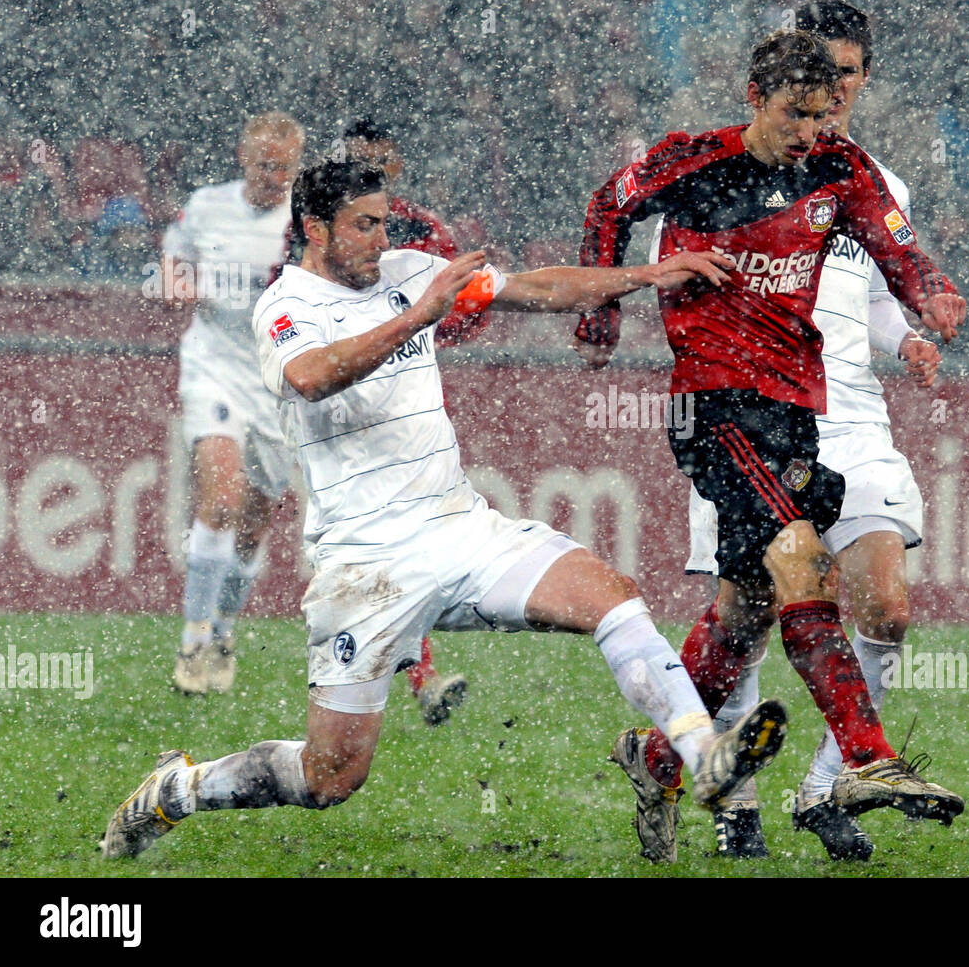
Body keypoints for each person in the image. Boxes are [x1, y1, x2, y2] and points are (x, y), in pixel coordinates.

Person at [102, 159, 787, 859]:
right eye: (362, 225)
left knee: (612, 597)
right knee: (330, 776)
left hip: (462, 529)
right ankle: (177, 789)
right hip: (365, 565)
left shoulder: (408, 269)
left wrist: (642, 279)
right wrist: (420, 315)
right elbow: (311, 378)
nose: (379, 237)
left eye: (382, 221)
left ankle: (703, 756)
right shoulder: (284, 307)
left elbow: (535, 288)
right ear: (314, 229)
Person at [576, 30, 966, 864]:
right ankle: (866, 760)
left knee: (744, 613)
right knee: (803, 563)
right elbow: (609, 204)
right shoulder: (690, 161)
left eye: (823, 115)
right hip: (715, 403)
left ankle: (653, 761)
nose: (808, 133)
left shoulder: (840, 167)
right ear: (755, 97)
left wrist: (930, 290)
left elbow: (897, 250)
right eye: (794, 114)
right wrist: (602, 309)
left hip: (795, 406)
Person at [685, 1, 954, 860]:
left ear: (864, 79)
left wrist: (906, 336)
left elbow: (874, 297)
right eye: (815, 75)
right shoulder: (716, 172)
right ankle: (730, 797)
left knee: (888, 604)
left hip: (851, 417)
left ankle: (827, 783)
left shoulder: (879, 184)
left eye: (845, 74)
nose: (830, 92)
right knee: (745, 618)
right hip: (754, 413)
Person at [161, 111, 305, 695]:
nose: (274, 177)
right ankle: (194, 642)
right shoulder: (206, 205)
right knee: (218, 496)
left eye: (285, 168)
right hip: (213, 366)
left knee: (253, 523)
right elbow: (173, 261)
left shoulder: (307, 222)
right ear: (244, 159)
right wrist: (176, 284)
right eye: (265, 165)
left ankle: (223, 628)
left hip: (275, 378)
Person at [341, 117, 471, 726]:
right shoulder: (313, 226)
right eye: (360, 159)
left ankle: (409, 672)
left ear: (396, 164)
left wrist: (423, 328)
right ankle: (384, 666)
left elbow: (467, 302)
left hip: (403, 400)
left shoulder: (422, 231)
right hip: (338, 404)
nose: (372, 169)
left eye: (380, 160)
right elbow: (280, 290)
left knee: (399, 540)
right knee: (369, 542)